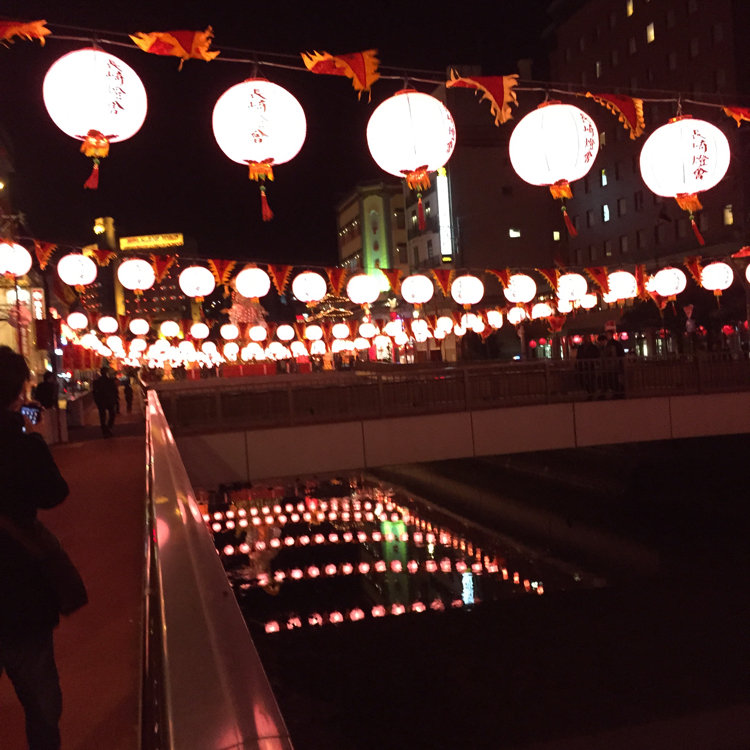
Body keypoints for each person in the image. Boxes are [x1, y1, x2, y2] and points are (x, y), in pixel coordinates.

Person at [0, 345, 70, 750]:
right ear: (17, 392)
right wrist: (30, 436)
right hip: (20, 592)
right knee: (40, 702)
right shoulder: (24, 445)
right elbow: (54, 494)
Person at [92, 366, 118, 437]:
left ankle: (105, 430)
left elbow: (94, 392)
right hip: (109, 400)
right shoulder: (110, 381)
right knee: (111, 414)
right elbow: (115, 391)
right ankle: (108, 428)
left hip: (101, 401)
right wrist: (115, 399)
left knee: (102, 416)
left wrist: (96, 401)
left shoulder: (96, 382)